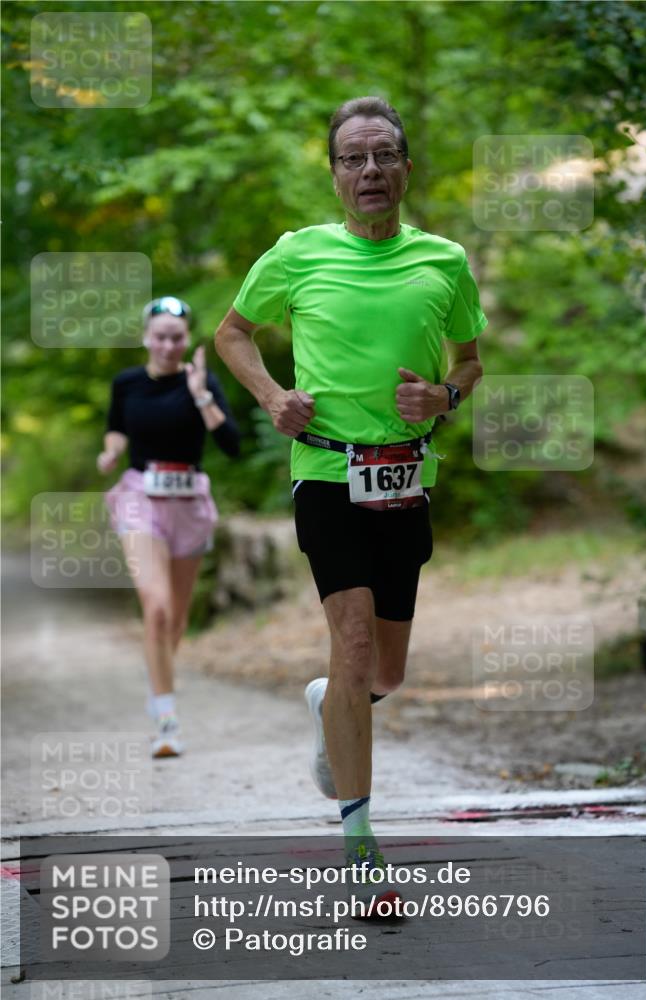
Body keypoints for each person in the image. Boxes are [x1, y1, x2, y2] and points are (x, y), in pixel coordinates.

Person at [215, 96, 487, 916]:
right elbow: (230, 334)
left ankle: (329, 706)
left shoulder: (443, 261)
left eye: (382, 156)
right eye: (351, 159)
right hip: (326, 472)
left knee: (384, 672)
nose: (368, 171)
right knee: (355, 642)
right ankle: (362, 855)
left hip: (405, 477)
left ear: (406, 167)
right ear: (334, 174)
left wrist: (442, 394)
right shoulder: (296, 256)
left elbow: (469, 362)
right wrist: (269, 396)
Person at [98, 296, 240, 758]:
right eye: (159, 336)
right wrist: (111, 451)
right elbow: (117, 426)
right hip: (140, 496)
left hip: (189, 502)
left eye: (176, 337)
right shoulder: (127, 383)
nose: (167, 345)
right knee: (156, 608)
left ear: (186, 340)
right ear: (146, 337)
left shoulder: (202, 381)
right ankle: (166, 720)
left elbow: (231, 444)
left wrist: (200, 394)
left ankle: (158, 681)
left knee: (176, 618)